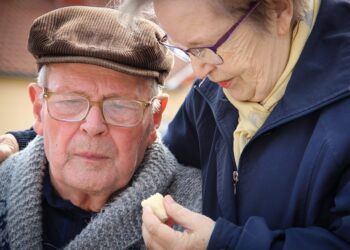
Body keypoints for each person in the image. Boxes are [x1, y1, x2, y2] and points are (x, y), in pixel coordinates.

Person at [2, 0, 350, 249]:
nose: (198, 74)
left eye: (207, 46)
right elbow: (145, 143)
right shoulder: (213, 91)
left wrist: (223, 245)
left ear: (278, 9)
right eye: (187, 51)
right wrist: (28, 141)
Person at [0, 6, 202, 250]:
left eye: (120, 106)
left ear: (154, 118)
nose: (93, 126)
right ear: (38, 109)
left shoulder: (199, 213)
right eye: (71, 101)